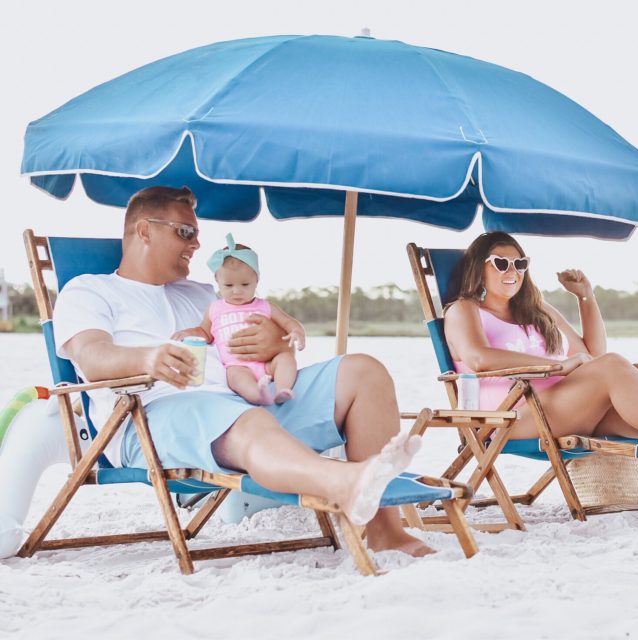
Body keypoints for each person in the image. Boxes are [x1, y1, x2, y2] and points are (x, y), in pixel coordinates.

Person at [53, 186, 431, 556]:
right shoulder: (90, 290)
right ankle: (348, 483)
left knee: (363, 371)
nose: (197, 244)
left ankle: (386, 532)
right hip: (154, 417)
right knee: (242, 420)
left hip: (248, 399)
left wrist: (275, 345)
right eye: (185, 232)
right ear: (144, 230)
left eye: (197, 234)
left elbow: (267, 348)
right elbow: (91, 356)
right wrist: (148, 359)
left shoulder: (205, 295)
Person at [443, 231, 638, 458]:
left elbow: (591, 357)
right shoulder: (464, 309)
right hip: (511, 418)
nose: (513, 271)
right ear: (478, 268)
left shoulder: (537, 309)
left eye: (520, 264)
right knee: (615, 366)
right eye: (501, 263)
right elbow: (478, 358)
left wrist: (586, 298)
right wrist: (558, 366)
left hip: (565, 408)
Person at [172, 234, 305, 406]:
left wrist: (297, 331)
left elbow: (288, 322)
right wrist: (189, 333)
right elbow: (205, 332)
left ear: (256, 280)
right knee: (235, 377)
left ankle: (282, 389)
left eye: (245, 285)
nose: (237, 291)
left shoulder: (265, 306)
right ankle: (257, 396)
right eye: (229, 286)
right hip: (237, 364)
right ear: (217, 281)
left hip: (268, 363)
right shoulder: (215, 308)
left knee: (286, 359)